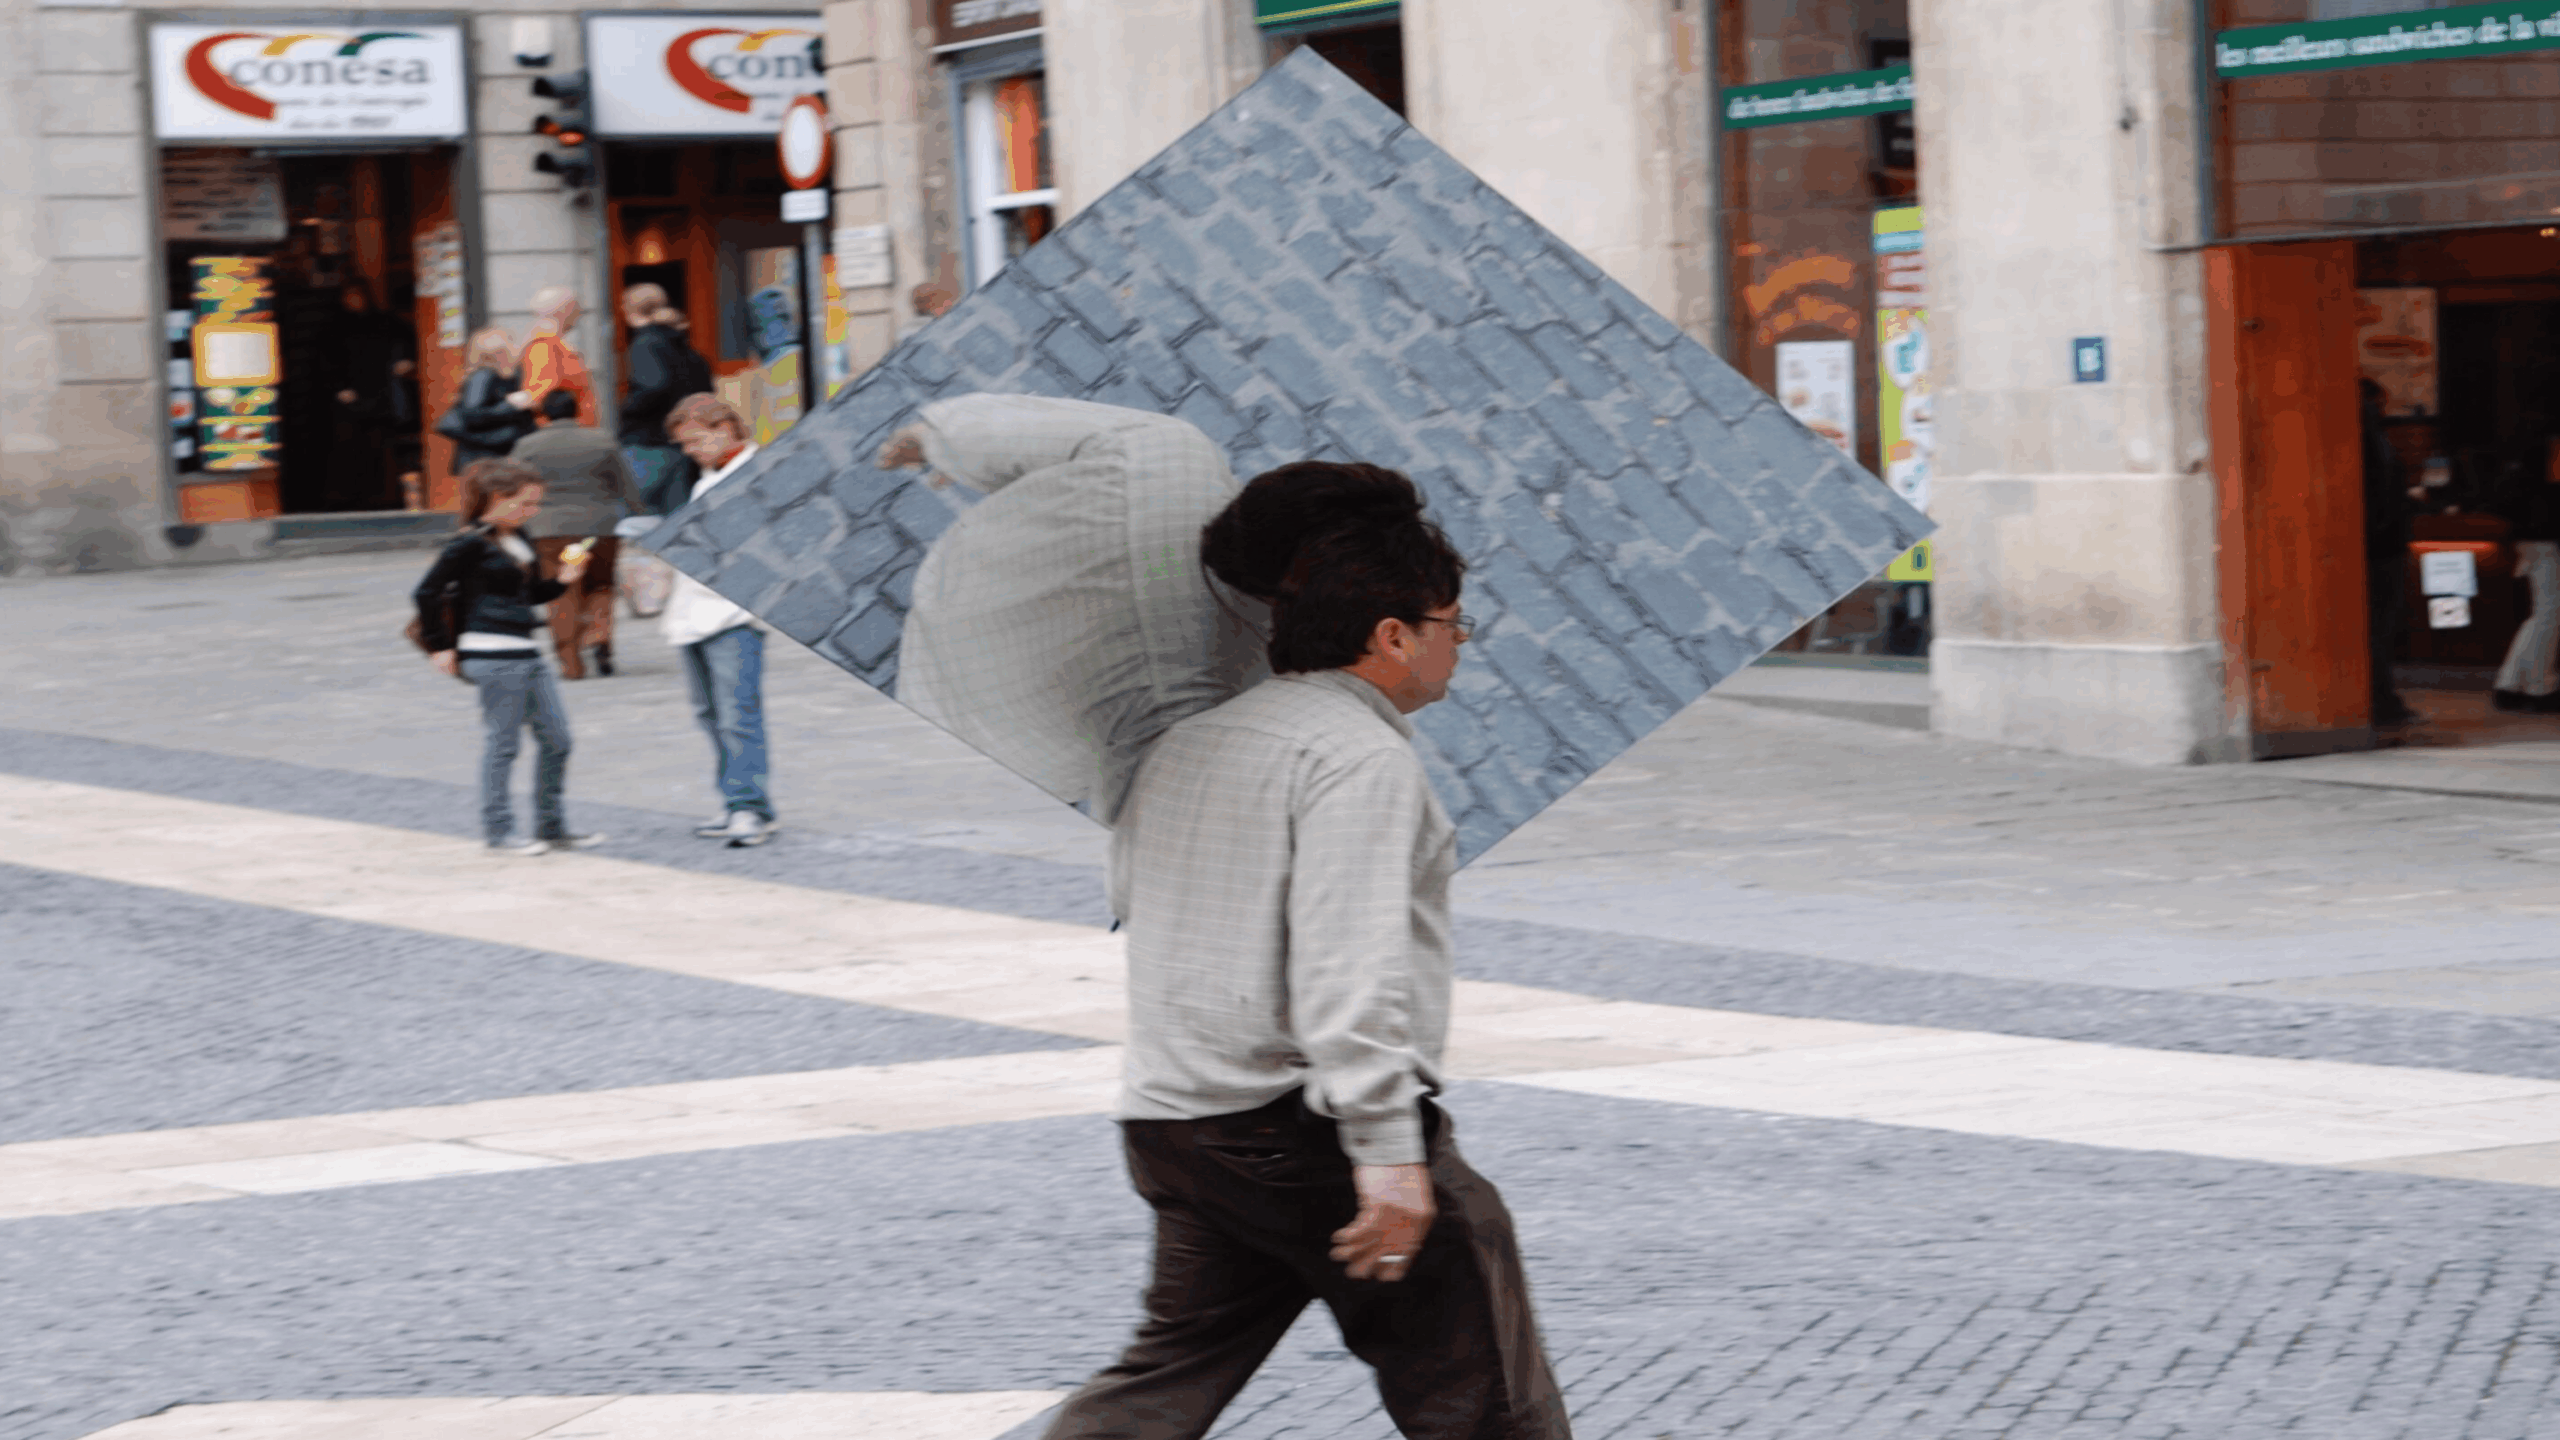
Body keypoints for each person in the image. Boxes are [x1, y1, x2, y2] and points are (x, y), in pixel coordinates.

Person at [1044, 464, 1571, 1440]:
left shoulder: (1189, 741)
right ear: (1392, 636)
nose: (1459, 648)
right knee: (1481, 1393)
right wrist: (1385, 1154)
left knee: (1162, 1382)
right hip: (1299, 1132)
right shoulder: (1359, 758)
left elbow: (1132, 903)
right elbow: (1346, 960)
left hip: (1175, 1120)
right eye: (1454, 625)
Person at [411, 458, 604, 856]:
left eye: (535, 504)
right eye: (526, 503)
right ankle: (499, 831)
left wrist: (563, 582)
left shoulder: (520, 537)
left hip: (527, 650)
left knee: (558, 740)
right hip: (490, 652)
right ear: (496, 499)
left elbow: (527, 597)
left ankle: (551, 827)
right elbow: (427, 593)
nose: (532, 512)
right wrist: (440, 646)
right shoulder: (468, 543)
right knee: (504, 744)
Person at [661, 393, 778, 847]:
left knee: (737, 715)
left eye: (694, 441)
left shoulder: (756, 475)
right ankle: (737, 801)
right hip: (693, 612)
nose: (690, 451)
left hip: (733, 613)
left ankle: (749, 807)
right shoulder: (708, 479)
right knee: (711, 714)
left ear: (724, 428)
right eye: (684, 444)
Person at [515, 389, 646, 679]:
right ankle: (600, 638)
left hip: (549, 531)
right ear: (577, 410)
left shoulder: (527, 446)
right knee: (601, 585)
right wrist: (638, 513)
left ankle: (570, 664)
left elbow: (514, 486)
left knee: (562, 591)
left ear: (543, 414)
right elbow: (626, 486)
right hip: (599, 528)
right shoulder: (601, 440)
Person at [617, 284, 714, 516]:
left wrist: (626, 410)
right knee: (676, 521)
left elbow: (653, 386)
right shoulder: (686, 348)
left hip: (648, 442)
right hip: (683, 445)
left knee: (630, 518)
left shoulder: (645, 343)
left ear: (629, 310)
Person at [327, 282, 418, 510]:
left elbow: (412, 341)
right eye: (349, 296)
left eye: (356, 295)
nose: (353, 300)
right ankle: (355, 499)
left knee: (385, 447)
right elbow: (327, 361)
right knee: (353, 450)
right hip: (352, 398)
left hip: (385, 395)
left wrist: (407, 361)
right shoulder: (335, 327)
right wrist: (340, 387)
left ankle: (387, 498)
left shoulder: (386, 322)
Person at [2359, 378, 2415, 727]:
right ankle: (2381, 701)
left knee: (2381, 627)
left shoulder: (2373, 439)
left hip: (2384, 543)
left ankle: (2383, 698)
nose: (2381, 409)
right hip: (2380, 546)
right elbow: (2380, 495)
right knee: (2378, 627)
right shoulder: (2368, 441)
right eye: (2376, 403)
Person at [2493, 464, 2560, 714]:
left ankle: (2510, 683)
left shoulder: (2529, 445)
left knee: (2542, 614)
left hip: (2530, 536)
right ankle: (2540, 686)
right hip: (2546, 537)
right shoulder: (2549, 447)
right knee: (2549, 614)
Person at [441, 327, 538, 474]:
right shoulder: (482, 377)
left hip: (493, 457)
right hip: (483, 460)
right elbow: (473, 415)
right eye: (510, 342)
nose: (516, 347)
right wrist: (511, 405)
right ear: (497, 352)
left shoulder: (510, 376)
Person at [520, 284, 597, 429]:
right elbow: (539, 395)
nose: (579, 314)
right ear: (565, 310)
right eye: (576, 308)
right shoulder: (544, 346)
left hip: (576, 433)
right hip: (564, 438)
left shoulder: (555, 345)